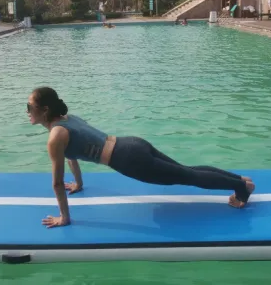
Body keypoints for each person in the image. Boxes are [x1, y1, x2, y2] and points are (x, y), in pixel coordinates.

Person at [27, 87, 255, 229]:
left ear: (44, 110)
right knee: (188, 170)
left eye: (30, 107)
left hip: (129, 160)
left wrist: (64, 218)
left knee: (188, 176)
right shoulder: (66, 119)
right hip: (131, 143)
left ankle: (240, 188)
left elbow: (57, 183)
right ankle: (241, 180)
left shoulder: (55, 136)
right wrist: (78, 183)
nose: (27, 111)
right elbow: (72, 156)